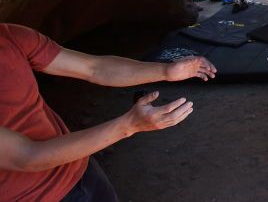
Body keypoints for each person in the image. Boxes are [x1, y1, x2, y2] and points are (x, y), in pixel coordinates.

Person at [0, 23, 217, 200]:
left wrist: (165, 71)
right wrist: (128, 126)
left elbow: (94, 68)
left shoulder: (10, 37)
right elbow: (27, 156)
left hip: (78, 166)